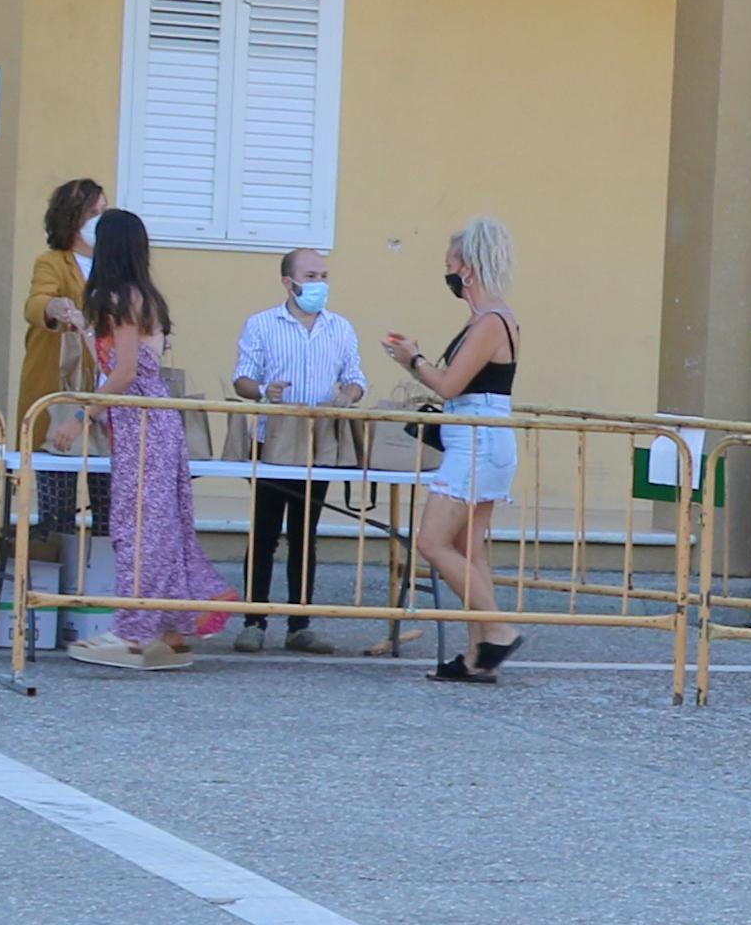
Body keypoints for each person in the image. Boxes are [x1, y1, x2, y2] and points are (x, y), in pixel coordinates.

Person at [63, 209, 227, 673]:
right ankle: (170, 631)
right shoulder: (142, 295)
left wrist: (82, 414)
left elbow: (126, 370)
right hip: (151, 417)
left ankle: (132, 629)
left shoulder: (119, 298)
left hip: (140, 417)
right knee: (162, 522)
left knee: (137, 524)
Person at [393, 218, 523, 684]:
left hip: (478, 440)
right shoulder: (488, 319)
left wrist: (414, 361)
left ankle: (499, 631)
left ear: (466, 269)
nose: (446, 273)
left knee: (432, 542)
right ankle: (477, 655)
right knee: (469, 549)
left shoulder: (490, 321)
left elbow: (450, 384)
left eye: (449, 265)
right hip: (480, 436)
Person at [230, 241, 368, 644]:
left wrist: (351, 394)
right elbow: (242, 377)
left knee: (305, 533)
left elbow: (356, 376)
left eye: (324, 277)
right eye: (311, 277)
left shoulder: (340, 327)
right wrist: (262, 391)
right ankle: (254, 621)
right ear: (288, 283)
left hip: (319, 440)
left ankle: (300, 622)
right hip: (272, 439)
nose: (319, 284)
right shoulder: (261, 324)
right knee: (264, 532)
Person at [16, 172, 105, 588]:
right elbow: (36, 302)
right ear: (74, 219)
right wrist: (55, 306)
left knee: (108, 505)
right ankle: (55, 592)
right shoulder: (52, 262)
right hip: (58, 396)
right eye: (95, 213)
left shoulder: (115, 265)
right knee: (57, 505)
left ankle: (101, 590)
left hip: (104, 401)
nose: (101, 221)